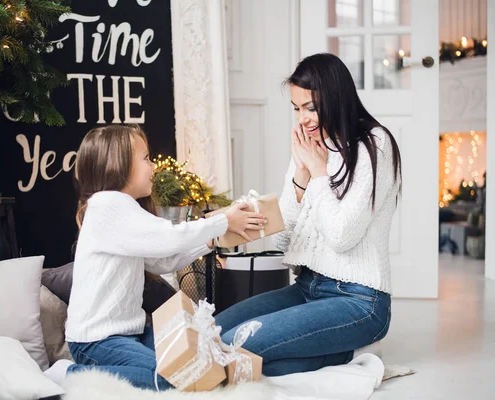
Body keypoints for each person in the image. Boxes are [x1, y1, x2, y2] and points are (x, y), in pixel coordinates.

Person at [215, 53, 402, 375]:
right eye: (297, 108)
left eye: (311, 107)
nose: (303, 119)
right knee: (213, 333)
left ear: (336, 98)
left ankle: (354, 352)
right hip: (307, 288)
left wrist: (317, 172)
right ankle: (339, 351)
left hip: (359, 301)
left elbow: (342, 237)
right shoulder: (312, 146)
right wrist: (300, 176)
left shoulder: (374, 145)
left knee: (236, 345)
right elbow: (287, 235)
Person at [63, 124, 266, 390]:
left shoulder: (121, 209)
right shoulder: (108, 204)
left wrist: (212, 238)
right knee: (173, 379)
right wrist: (222, 221)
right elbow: (168, 238)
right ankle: (70, 374)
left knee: (193, 366)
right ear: (118, 163)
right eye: (146, 158)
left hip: (130, 333)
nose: (153, 167)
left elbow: (163, 261)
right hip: (97, 341)